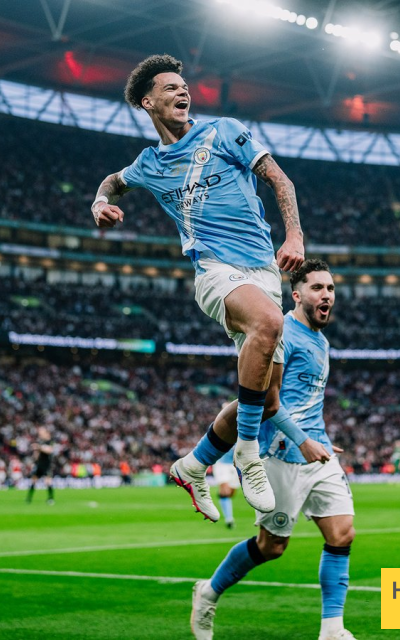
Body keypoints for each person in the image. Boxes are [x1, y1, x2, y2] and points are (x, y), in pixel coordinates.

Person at [91, 54, 305, 518]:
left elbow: (279, 179)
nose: (182, 91)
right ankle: (246, 453)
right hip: (214, 270)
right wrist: (98, 202)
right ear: (148, 102)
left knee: (267, 399)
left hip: (264, 271)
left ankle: (192, 466)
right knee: (269, 324)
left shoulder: (224, 131)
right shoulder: (149, 163)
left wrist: (294, 237)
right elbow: (112, 181)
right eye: (170, 87)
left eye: (184, 86)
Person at [191, 260, 357, 640]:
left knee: (342, 534)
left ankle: (332, 630)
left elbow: (307, 402)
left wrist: (317, 438)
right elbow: (268, 401)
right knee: (272, 547)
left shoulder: (322, 340)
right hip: (280, 454)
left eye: (331, 288)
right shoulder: (282, 334)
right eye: (317, 288)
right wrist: (303, 439)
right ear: (297, 295)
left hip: (317, 453)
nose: (327, 295)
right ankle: (209, 592)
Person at [212, 446, 240, 529]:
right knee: (226, 491)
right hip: (221, 463)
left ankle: (222, 497)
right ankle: (229, 519)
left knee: (231, 493)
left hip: (235, 464)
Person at [26, 427, 55, 505]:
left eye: (41, 432)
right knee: (34, 480)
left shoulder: (50, 441)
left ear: (46, 433)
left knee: (48, 481)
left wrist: (39, 447)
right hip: (39, 465)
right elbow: (37, 455)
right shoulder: (40, 442)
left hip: (47, 465)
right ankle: (29, 498)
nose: (40, 434)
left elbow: (49, 450)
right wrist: (35, 457)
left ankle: (51, 499)